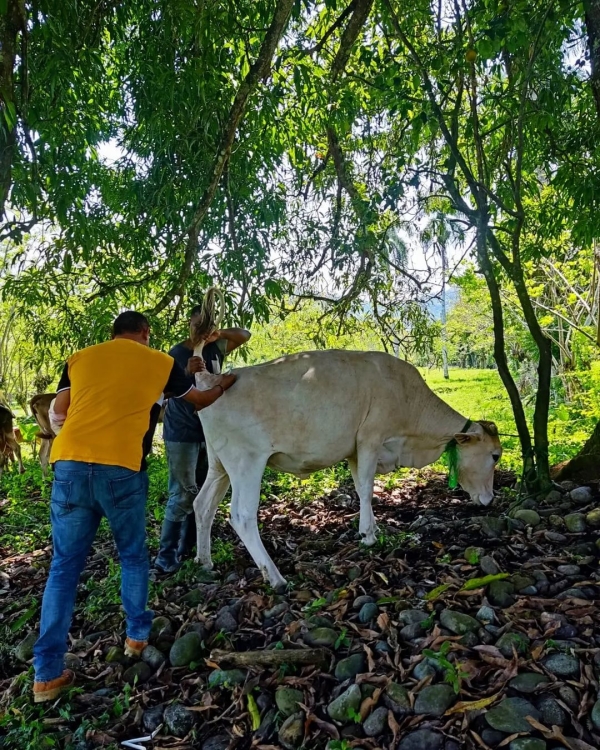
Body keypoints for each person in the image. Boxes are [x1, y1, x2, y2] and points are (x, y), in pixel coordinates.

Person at [32, 311, 236, 703]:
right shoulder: (160, 361)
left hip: (70, 464)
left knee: (62, 568)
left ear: (112, 334)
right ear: (145, 333)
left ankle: (46, 675)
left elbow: (59, 412)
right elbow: (199, 400)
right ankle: (137, 638)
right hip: (122, 469)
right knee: (132, 557)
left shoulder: (81, 357)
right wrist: (225, 382)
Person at [154, 308, 251, 573]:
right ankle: (166, 555)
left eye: (207, 326)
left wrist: (217, 334)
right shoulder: (177, 354)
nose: (201, 331)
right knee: (183, 491)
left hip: (211, 431)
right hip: (182, 431)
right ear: (189, 323)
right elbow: (166, 390)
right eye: (198, 325)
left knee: (202, 486)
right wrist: (186, 372)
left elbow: (245, 334)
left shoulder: (216, 347)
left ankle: (189, 546)